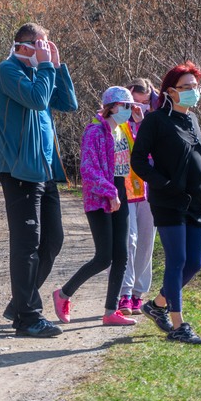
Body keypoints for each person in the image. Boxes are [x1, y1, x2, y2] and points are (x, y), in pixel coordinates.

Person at [0, 22, 78, 337]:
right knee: (26, 244)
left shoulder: (42, 72)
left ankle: (20, 303)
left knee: (52, 241)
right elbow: (38, 100)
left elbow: (68, 104)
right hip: (18, 170)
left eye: (47, 45)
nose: (45, 49)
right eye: (41, 45)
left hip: (45, 170)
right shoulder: (7, 71)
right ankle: (28, 318)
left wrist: (56, 66)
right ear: (24, 46)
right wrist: (44, 69)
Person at [130, 61, 201, 345]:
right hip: (168, 202)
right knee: (176, 261)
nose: (193, 91)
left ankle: (157, 304)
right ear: (170, 92)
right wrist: (163, 183)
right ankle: (179, 325)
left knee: (195, 263)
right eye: (186, 87)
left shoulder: (192, 120)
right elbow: (138, 160)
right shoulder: (156, 120)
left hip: (196, 202)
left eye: (195, 86)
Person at [51, 86, 139, 327]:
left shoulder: (123, 130)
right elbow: (88, 170)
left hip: (120, 191)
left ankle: (111, 311)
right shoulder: (94, 132)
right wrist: (110, 193)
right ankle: (63, 295)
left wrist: (138, 125)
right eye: (125, 106)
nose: (128, 110)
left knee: (121, 255)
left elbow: (139, 156)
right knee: (104, 257)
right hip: (100, 197)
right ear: (111, 107)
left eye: (131, 106)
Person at [117, 78, 158, 315]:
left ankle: (137, 294)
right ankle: (125, 291)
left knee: (146, 243)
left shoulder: (155, 120)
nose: (138, 108)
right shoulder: (118, 120)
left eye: (144, 103)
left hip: (150, 190)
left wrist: (143, 124)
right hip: (125, 190)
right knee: (129, 241)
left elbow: (155, 152)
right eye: (134, 103)